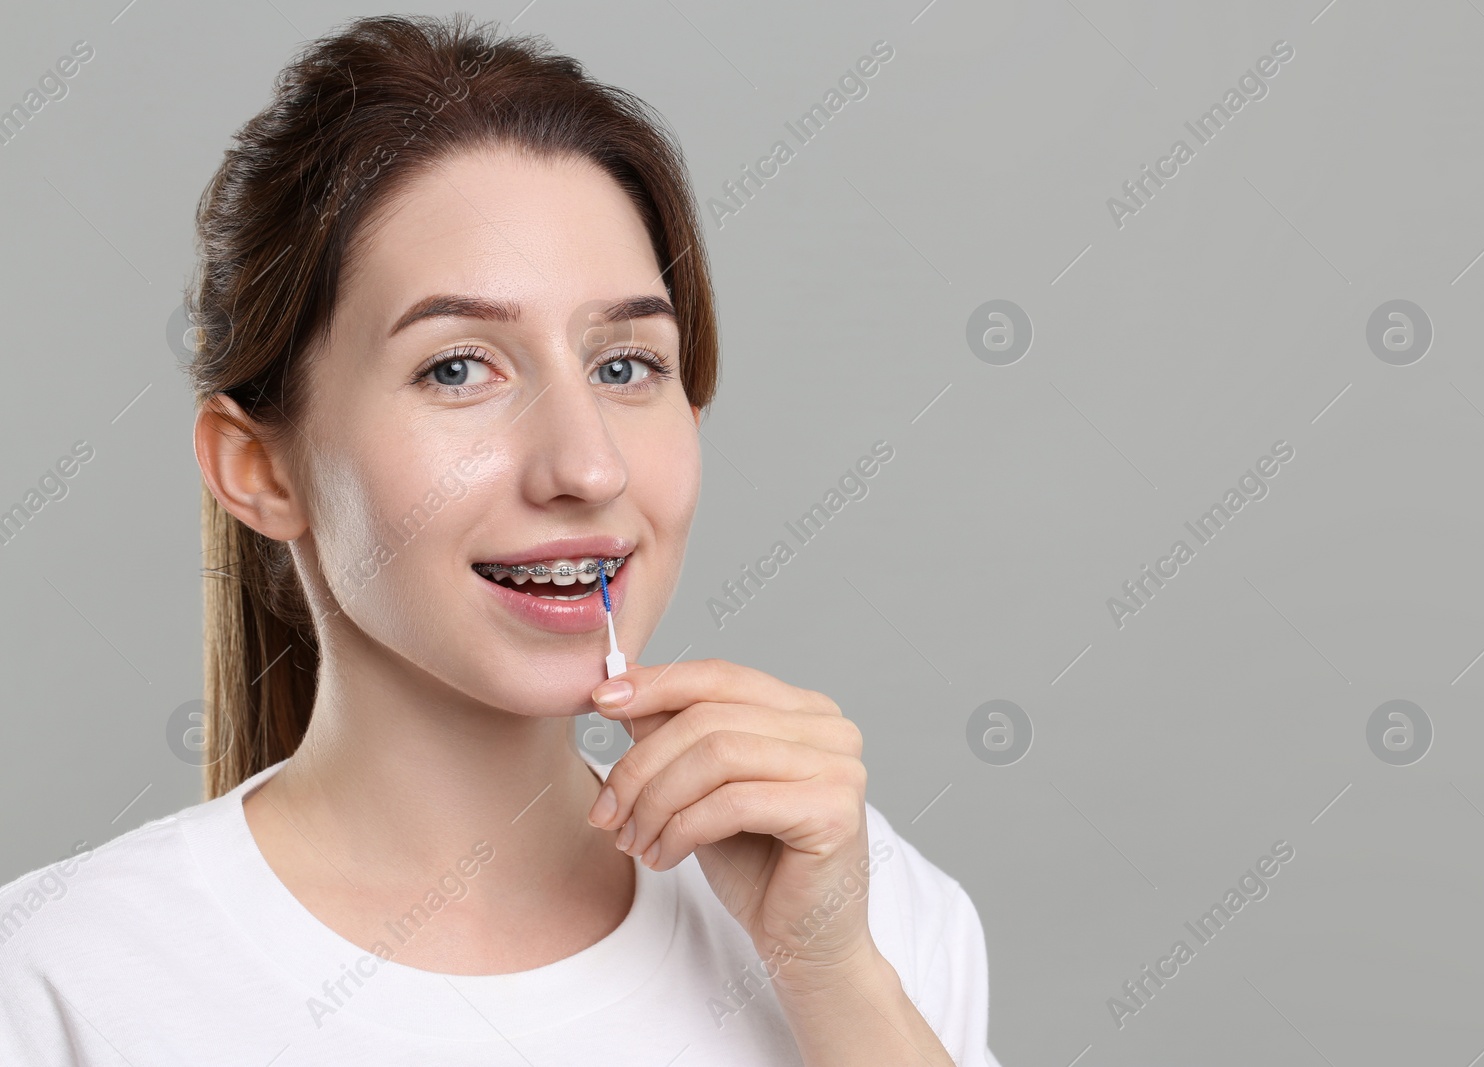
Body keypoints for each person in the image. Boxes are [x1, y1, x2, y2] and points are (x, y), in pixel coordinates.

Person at [0, 14, 999, 1064]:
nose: (586, 465)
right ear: (260, 468)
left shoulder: (861, 912)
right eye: (458, 367)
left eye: (624, 367)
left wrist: (830, 973)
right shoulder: (58, 985)